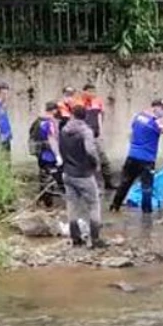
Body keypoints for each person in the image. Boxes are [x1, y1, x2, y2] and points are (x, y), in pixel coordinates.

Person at [60, 105, 110, 248]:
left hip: (68, 173)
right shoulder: (86, 131)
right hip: (83, 174)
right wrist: (96, 164)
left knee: (71, 205)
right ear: (85, 117)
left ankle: (75, 238)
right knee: (94, 204)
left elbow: (61, 148)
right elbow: (90, 150)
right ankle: (95, 239)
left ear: (72, 115)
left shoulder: (63, 130)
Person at [80, 83, 114, 189]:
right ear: (84, 92)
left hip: (96, 136)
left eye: (93, 91)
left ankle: (108, 183)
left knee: (104, 161)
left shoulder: (97, 102)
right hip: (85, 137)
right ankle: (91, 186)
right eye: (89, 91)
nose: (92, 94)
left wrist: (101, 132)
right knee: (91, 162)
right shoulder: (79, 103)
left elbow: (101, 116)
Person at [29, 101, 63, 208]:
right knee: (50, 178)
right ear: (54, 110)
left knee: (42, 175)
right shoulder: (50, 122)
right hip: (49, 154)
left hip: (39, 152)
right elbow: (52, 139)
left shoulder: (38, 121)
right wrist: (58, 155)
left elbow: (31, 135)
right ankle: (48, 203)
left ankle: (41, 199)